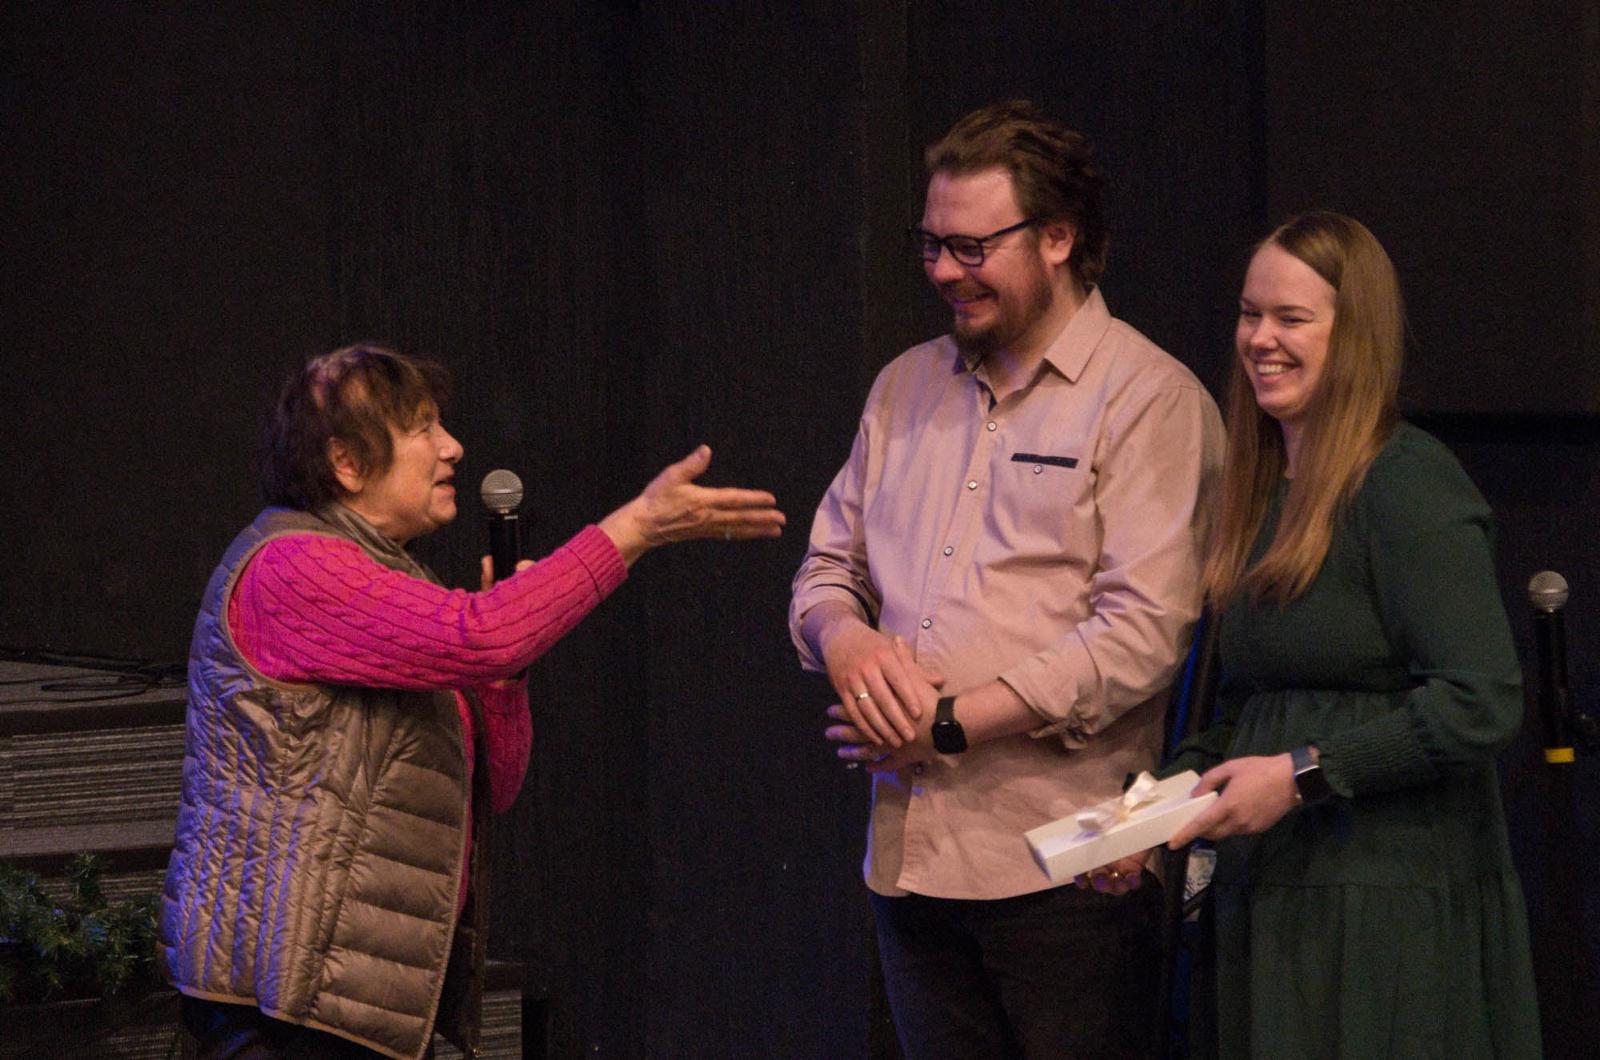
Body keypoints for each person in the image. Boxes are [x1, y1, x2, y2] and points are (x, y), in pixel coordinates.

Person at [159, 344, 785, 1060]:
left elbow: (497, 787)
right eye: (421, 428)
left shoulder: (393, 580)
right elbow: (484, 635)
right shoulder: (291, 566)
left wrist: (502, 681)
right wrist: (636, 528)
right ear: (347, 464)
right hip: (283, 1013)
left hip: (354, 1009)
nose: (452, 446)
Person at [789, 101, 1224, 1058]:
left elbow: (1143, 634)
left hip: (1071, 872)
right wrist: (845, 641)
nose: (945, 271)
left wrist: (946, 723)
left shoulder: (1150, 401)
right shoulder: (904, 387)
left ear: (1058, 238)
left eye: (972, 247)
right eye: (931, 244)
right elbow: (827, 566)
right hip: (911, 862)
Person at [1132, 212, 1541, 1056]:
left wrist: (1303, 777)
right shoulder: (1258, 491)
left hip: (1384, 910)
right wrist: (1149, 813)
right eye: (1251, 314)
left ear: (1354, 335)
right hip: (1275, 901)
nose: (1261, 340)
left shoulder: (1405, 482)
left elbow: (1481, 700)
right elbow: (1244, 712)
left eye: (1291, 318)